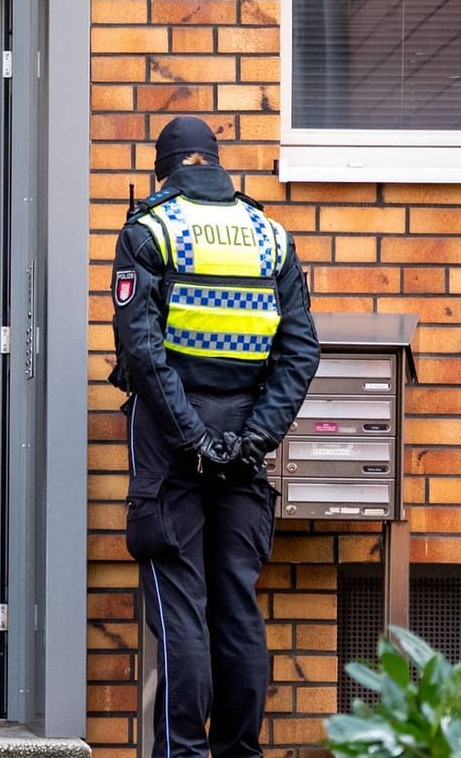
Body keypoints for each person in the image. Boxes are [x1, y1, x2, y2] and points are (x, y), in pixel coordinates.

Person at [110, 116, 320, 758]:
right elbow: (301, 350)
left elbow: (143, 353)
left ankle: (183, 752)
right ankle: (239, 751)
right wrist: (255, 438)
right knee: (235, 603)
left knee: (180, 604)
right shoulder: (270, 236)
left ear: (162, 169)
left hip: (176, 438)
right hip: (244, 432)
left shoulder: (151, 230)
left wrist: (193, 437)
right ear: (215, 163)